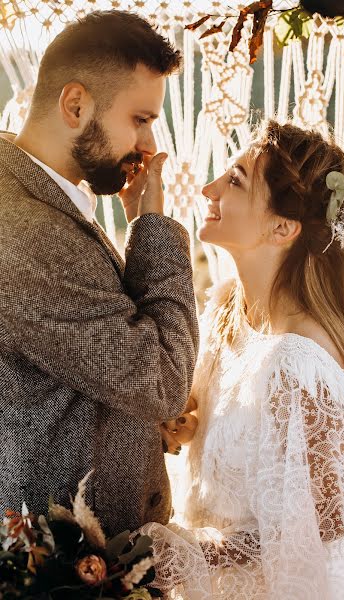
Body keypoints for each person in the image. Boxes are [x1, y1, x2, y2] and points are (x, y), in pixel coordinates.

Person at [142, 119, 344, 599]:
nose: (208, 188)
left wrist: (185, 554)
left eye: (235, 180)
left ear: (282, 227)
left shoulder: (300, 364)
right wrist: (188, 424)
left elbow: (327, 524)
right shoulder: (228, 308)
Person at [0, 10, 198, 538]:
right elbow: (161, 381)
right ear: (75, 104)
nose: (150, 147)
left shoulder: (34, 201)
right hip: (64, 567)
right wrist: (151, 227)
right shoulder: (26, 231)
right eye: (140, 119)